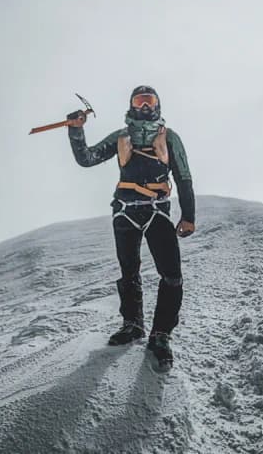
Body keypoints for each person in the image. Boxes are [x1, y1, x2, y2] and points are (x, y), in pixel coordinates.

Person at [65, 85, 195, 370]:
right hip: (125, 211)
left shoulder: (169, 138)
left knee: (172, 275)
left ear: (157, 105)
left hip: (157, 211)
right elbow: (87, 158)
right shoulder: (121, 137)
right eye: (139, 101)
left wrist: (188, 216)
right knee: (129, 271)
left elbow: (183, 177)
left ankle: (161, 334)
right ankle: (132, 324)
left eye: (149, 101)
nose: (145, 107)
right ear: (132, 105)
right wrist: (76, 130)